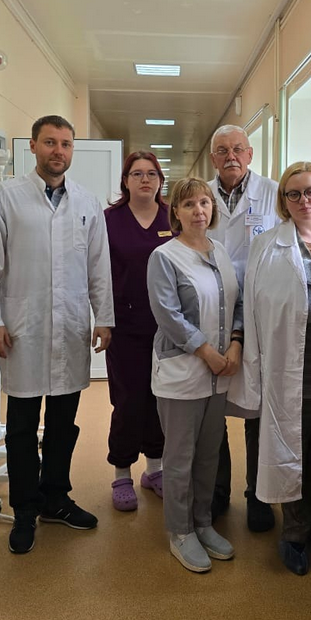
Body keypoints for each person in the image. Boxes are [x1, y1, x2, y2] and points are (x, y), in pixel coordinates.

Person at [0, 115, 115, 555]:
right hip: (23, 329)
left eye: (66, 144)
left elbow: (99, 266)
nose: (59, 151)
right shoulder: (7, 197)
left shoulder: (87, 202)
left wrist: (104, 317)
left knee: (62, 423)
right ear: (33, 146)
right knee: (21, 425)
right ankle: (24, 509)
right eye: (50, 142)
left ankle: (55, 497)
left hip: (69, 327)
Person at [239, 162, 311, 577]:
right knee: (292, 449)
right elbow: (255, 308)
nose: (304, 200)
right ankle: (296, 532)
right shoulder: (267, 245)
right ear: (283, 201)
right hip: (289, 367)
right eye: (294, 193)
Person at [146, 178, 243, 573]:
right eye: (188, 204)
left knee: (208, 454)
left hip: (219, 373)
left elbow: (236, 303)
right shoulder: (164, 256)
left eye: (204, 202)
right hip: (183, 374)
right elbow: (169, 316)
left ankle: (202, 522)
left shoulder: (220, 252)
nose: (199, 210)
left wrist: (235, 343)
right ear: (176, 213)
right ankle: (180, 530)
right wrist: (208, 353)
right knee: (180, 457)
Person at [206, 124, 280, 532]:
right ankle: (218, 491)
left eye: (238, 149)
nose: (230, 156)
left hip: (260, 311)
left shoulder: (273, 193)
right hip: (212, 309)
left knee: (258, 407)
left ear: (250, 154)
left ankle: (258, 494)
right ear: (213, 158)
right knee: (213, 403)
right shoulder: (202, 195)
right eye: (222, 150)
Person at [104, 151, 174, 511]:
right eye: (137, 174)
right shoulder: (110, 220)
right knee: (129, 400)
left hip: (167, 326)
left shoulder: (171, 217)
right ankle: (121, 473)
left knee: (161, 399)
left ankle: (155, 470)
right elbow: (98, 272)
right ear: (125, 181)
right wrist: (102, 319)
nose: (145, 179)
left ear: (160, 181)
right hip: (125, 327)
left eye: (151, 174)